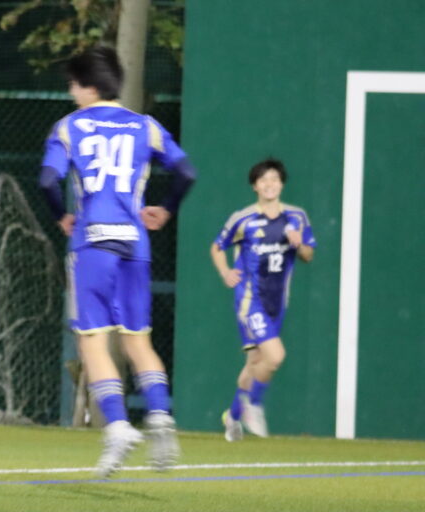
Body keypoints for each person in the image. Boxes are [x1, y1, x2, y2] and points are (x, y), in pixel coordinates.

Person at [38, 46, 196, 476]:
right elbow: (186, 172)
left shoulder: (69, 127)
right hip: (134, 241)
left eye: (73, 84)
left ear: (88, 86)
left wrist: (61, 215)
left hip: (93, 239)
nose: (71, 93)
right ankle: (160, 419)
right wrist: (166, 209)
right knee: (137, 340)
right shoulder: (146, 126)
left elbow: (48, 180)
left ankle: (118, 427)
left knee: (92, 341)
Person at [210, 158, 315, 441]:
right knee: (275, 356)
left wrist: (299, 244)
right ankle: (253, 405)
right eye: (263, 180)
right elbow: (217, 246)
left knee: (255, 363)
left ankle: (232, 417)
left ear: (282, 184)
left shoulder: (297, 217)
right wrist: (225, 272)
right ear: (255, 186)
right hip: (250, 299)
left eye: (274, 179)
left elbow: (308, 255)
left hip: (277, 301)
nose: (270, 184)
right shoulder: (243, 218)